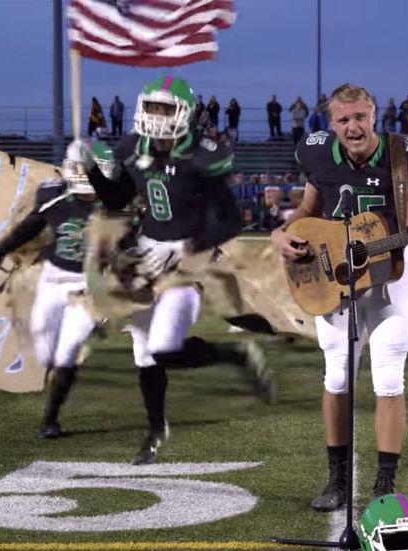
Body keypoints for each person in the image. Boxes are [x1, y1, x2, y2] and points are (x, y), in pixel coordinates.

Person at [76, 75, 274, 465]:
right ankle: (154, 430)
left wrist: (193, 249)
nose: (156, 116)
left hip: (186, 258)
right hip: (147, 255)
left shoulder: (202, 155)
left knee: (164, 349)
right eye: (151, 107)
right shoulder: (133, 146)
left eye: (165, 108)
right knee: (143, 354)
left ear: (184, 114)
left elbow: (232, 220)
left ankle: (235, 354)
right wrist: (95, 173)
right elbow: (120, 200)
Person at [271, 83, 408, 511]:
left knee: (388, 378)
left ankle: (384, 485)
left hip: (390, 276)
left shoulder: (404, 155)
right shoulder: (316, 154)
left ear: (374, 117)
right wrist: (282, 232)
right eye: (344, 119)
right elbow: (308, 213)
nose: (354, 127)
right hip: (334, 279)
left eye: (361, 117)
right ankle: (337, 481)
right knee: (336, 377)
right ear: (331, 124)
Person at [0, 144, 110, 439]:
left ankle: (50, 420)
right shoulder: (55, 198)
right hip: (53, 279)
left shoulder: (112, 206)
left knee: (67, 354)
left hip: (87, 288)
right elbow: (29, 228)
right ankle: (54, 377)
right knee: (43, 347)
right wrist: (0, 251)